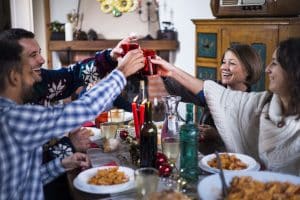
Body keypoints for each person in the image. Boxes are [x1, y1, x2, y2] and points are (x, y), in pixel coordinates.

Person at [0, 39, 144, 199]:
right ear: (14, 77)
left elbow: (27, 180)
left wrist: (60, 164)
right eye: (29, 72)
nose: (36, 78)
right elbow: (86, 107)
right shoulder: (13, 118)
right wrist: (122, 72)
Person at [152, 38, 300, 176]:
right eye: (224, 62)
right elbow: (207, 91)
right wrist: (169, 71)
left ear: (293, 70)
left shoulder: (251, 102)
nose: (268, 69)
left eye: (274, 63)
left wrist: (217, 135)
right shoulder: (256, 102)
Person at [161, 44, 263, 154]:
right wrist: (165, 75)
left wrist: (217, 134)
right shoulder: (215, 88)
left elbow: (246, 145)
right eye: (224, 62)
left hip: (229, 163)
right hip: (203, 156)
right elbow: (181, 91)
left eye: (232, 63)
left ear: (248, 70)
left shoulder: (252, 104)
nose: (223, 67)